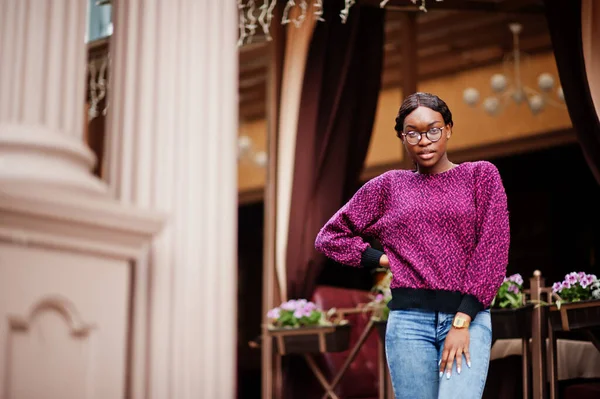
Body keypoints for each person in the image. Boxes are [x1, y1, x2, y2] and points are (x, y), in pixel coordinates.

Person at [314, 92, 509, 399]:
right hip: (408, 324)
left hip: (465, 318)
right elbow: (329, 237)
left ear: (448, 129)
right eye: (413, 133)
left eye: (433, 129)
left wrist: (462, 321)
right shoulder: (389, 186)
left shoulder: (480, 176)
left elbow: (493, 248)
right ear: (402, 137)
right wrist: (381, 259)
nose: (424, 140)